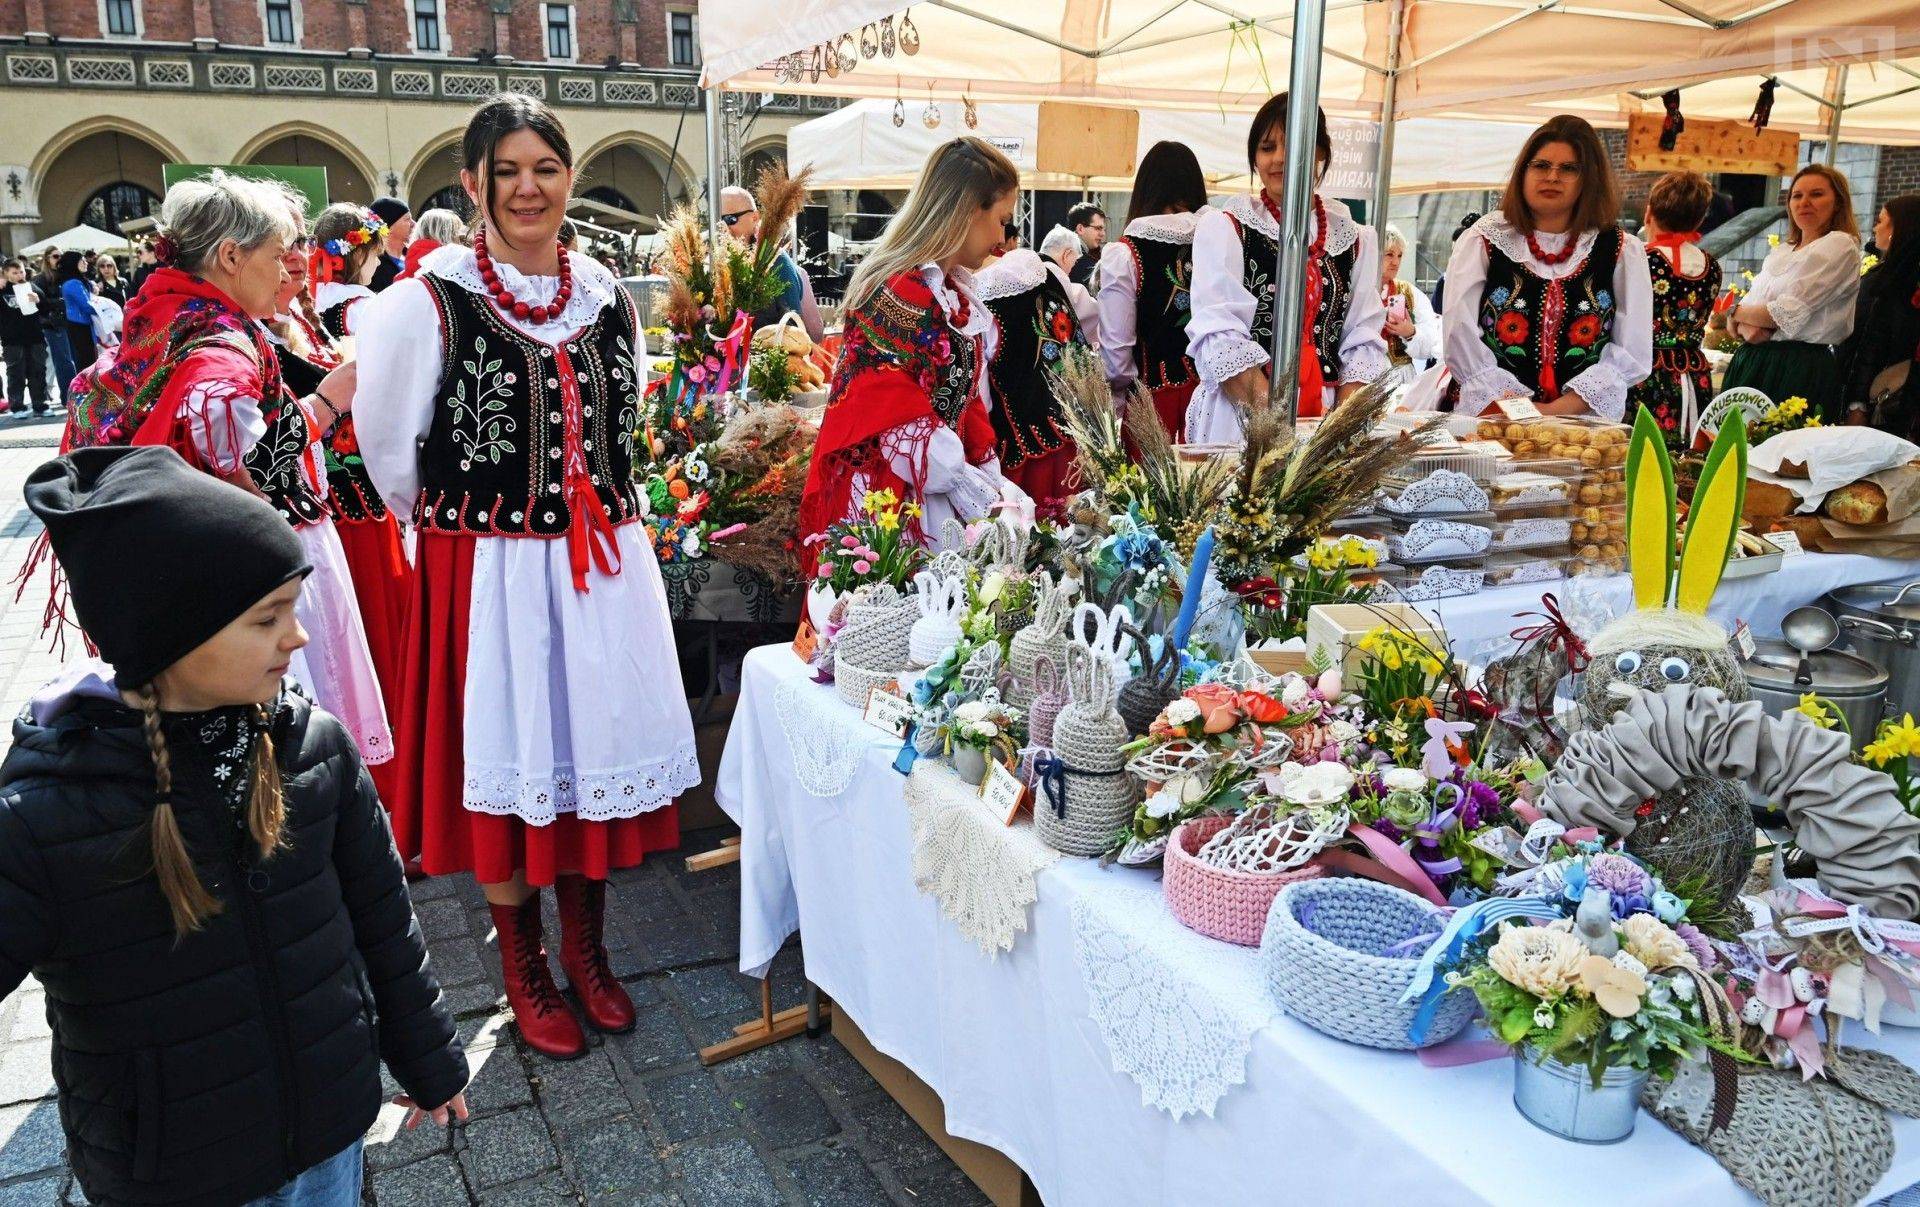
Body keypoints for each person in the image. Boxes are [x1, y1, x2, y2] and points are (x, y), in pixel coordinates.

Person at [2, 444, 469, 1207]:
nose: (300, 638)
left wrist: (430, 1057)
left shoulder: (314, 747)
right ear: (168, 637)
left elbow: (384, 919)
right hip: (175, 1172)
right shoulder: (51, 813)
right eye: (267, 618)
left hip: (326, 1134)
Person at [356, 94, 698, 1061]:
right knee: (511, 765)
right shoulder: (428, 301)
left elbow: (620, 424)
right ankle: (525, 963)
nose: (527, 187)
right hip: (492, 568)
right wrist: (468, 530)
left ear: (568, 177)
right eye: (505, 170)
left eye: (544, 167)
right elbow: (388, 447)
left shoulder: (604, 294)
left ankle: (588, 951)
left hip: (601, 570)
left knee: (588, 751)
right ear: (473, 184)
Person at [61, 170, 395, 777]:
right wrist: (325, 403)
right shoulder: (220, 347)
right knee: (277, 750)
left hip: (190, 570)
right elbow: (236, 479)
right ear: (231, 256)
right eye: (276, 253)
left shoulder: (163, 311)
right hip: (247, 575)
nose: (291, 266)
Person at [797, 136, 1025, 572]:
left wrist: (986, 469)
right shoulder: (896, 291)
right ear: (966, 210)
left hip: (929, 492)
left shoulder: (950, 291)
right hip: (892, 499)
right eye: (1001, 219)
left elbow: (965, 396)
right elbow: (894, 413)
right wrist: (968, 481)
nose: (1002, 237)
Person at [266, 205, 413, 809]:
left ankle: (388, 787)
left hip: (348, 506)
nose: (298, 261)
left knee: (367, 652)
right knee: (361, 651)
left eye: (303, 245)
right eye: (283, 250)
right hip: (341, 511)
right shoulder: (262, 336)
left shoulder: (303, 320)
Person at [1188, 92, 1389, 438]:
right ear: (1254, 157)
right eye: (1267, 148)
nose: (1280, 158)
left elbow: (1362, 336)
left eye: (1294, 145)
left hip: (1327, 411)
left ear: (1320, 152)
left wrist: (1337, 429)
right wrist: (1278, 427)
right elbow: (1218, 333)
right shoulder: (1228, 227)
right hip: (1246, 412)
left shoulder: (1355, 238)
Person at [1441, 114, 1652, 418]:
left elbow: (1631, 350)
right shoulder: (1484, 240)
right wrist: (1521, 411)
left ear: (1588, 178)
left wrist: (1556, 412)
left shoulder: (1620, 249)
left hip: (1579, 426)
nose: (1552, 176)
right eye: (1541, 165)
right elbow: (1458, 335)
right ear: (1523, 171)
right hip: (1493, 417)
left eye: (1569, 168)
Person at [975, 225, 1099, 517]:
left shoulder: (976, 297)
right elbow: (1090, 324)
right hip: (1082, 437)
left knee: (1040, 543)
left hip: (1026, 457)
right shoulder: (1049, 272)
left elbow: (980, 397)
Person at [1723, 163, 1861, 419]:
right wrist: (1740, 319)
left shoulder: (1838, 245)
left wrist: (1737, 311)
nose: (1804, 202)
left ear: (1838, 202)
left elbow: (1784, 314)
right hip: (1751, 362)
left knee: (1782, 453)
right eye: (1797, 195)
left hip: (1797, 366)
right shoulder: (1784, 251)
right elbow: (1739, 323)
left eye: (1816, 194)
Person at [1099, 140, 1211, 439]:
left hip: (1153, 410)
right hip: (1217, 401)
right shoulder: (1220, 238)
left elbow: (1116, 359)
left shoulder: (1126, 254)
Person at [1627, 170, 1722, 447]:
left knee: (1642, 453)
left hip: (1644, 373)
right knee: (1688, 454)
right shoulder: (1711, 265)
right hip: (1693, 374)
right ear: (1700, 218)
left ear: (1649, 213)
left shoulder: (1639, 259)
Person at [1836, 193, 1920, 435]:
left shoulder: (1896, 281)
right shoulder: (1889, 274)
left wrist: (1857, 404)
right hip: (1885, 398)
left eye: (1881, 221)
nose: (1875, 227)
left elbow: (1869, 345)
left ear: (1900, 228)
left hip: (1890, 403)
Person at [720, 184, 824, 341]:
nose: (723, 227)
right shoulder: (717, 263)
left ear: (754, 218)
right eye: (717, 220)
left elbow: (797, 333)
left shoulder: (775, 261)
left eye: (730, 219)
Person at [311, 203, 389, 340]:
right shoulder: (363, 306)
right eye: (376, 254)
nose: (378, 262)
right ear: (358, 255)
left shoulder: (304, 297)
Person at [1379, 223, 1441, 385]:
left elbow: (1433, 337)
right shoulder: (1359, 291)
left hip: (1401, 378)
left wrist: (1410, 332)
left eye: (1399, 256)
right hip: (1366, 376)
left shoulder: (1408, 291)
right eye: (1389, 254)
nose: (1395, 262)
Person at [0, 257, 49, 418]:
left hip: (35, 337)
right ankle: (17, 407)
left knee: (38, 372)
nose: (19, 275)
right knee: (16, 374)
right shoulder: (2, 288)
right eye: (14, 272)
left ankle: (40, 405)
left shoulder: (32, 286)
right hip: (12, 340)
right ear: (6, 273)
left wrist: (38, 300)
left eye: (21, 271)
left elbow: (46, 308)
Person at [35, 248, 75, 408]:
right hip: (53, 325)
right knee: (64, 362)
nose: (59, 259)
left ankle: (71, 395)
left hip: (70, 322)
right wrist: (62, 302)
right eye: (56, 256)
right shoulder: (41, 278)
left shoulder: (64, 275)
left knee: (70, 361)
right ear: (47, 259)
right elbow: (40, 302)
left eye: (61, 256)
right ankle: (68, 397)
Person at [57, 249, 98, 372]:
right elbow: (87, 306)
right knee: (87, 362)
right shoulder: (73, 283)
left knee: (86, 361)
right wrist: (105, 308)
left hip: (78, 325)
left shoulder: (73, 281)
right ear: (73, 263)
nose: (86, 263)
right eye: (82, 261)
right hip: (80, 326)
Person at [401, 206, 469, 280]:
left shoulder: (400, 277)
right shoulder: (455, 266)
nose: (460, 238)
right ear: (448, 235)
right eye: (457, 232)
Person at [367, 196, 413, 292]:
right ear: (389, 228)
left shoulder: (414, 255)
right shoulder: (374, 264)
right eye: (407, 219)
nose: (413, 224)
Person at [1065, 200, 1106, 286]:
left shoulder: (1064, 250)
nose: (1103, 234)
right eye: (1098, 228)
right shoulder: (1082, 262)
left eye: (1103, 229)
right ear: (1080, 229)